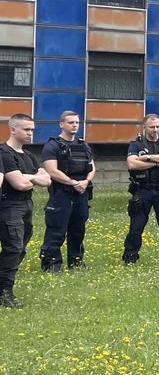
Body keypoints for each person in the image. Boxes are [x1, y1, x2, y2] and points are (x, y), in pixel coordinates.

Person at [0, 114, 51, 307]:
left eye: (32, 130)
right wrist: (33, 178)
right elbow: (19, 184)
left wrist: (28, 177)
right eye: (26, 129)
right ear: (13, 129)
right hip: (10, 206)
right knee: (13, 248)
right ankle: (5, 293)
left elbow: (46, 180)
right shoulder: (4, 153)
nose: (30, 133)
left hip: (27, 205)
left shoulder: (29, 156)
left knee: (20, 249)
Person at [37, 109, 95, 272]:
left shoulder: (84, 145)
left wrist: (85, 182)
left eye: (77, 122)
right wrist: (73, 183)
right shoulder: (52, 145)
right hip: (61, 194)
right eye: (70, 122)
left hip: (81, 193)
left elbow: (92, 167)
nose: (74, 125)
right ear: (61, 124)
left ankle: (76, 262)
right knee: (56, 230)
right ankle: (51, 264)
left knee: (78, 230)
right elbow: (52, 171)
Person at [122, 114, 159, 264]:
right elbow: (132, 164)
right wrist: (158, 162)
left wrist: (147, 158)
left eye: (158, 126)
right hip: (143, 190)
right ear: (144, 127)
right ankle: (130, 257)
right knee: (136, 227)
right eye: (152, 127)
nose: (155, 130)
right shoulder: (136, 145)